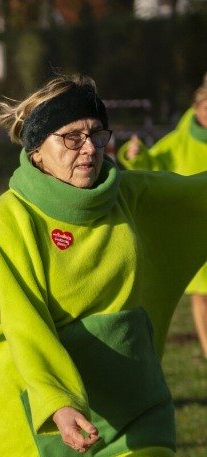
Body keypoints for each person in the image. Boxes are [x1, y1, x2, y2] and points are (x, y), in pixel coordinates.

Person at [0, 73, 207, 457]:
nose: (88, 148)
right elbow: (23, 318)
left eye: (96, 134)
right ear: (37, 152)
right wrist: (57, 401)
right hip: (43, 426)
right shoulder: (13, 217)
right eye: (71, 137)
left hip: (134, 419)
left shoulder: (129, 196)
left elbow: (197, 201)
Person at [116, 76, 207, 361]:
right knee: (202, 295)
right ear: (196, 108)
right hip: (195, 229)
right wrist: (135, 155)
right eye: (206, 106)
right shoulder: (180, 141)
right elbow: (151, 167)